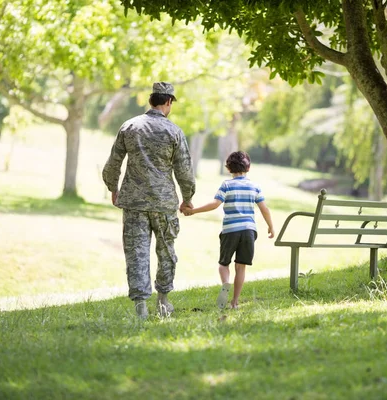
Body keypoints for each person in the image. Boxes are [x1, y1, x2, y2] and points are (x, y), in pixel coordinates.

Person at [102, 82, 195, 319]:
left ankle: (140, 308)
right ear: (168, 102)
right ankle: (163, 302)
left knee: (136, 254)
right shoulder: (174, 132)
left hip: (134, 203)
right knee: (166, 252)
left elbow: (113, 163)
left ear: (151, 100)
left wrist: (113, 187)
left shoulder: (129, 126)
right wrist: (187, 199)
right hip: (163, 205)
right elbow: (184, 170)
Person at [183, 151, 274, 310]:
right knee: (241, 267)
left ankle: (226, 283)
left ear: (228, 168)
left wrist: (194, 210)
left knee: (223, 264)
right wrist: (271, 226)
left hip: (230, 230)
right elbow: (265, 209)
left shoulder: (227, 185)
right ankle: (235, 302)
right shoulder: (254, 186)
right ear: (249, 167)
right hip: (248, 230)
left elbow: (215, 204)